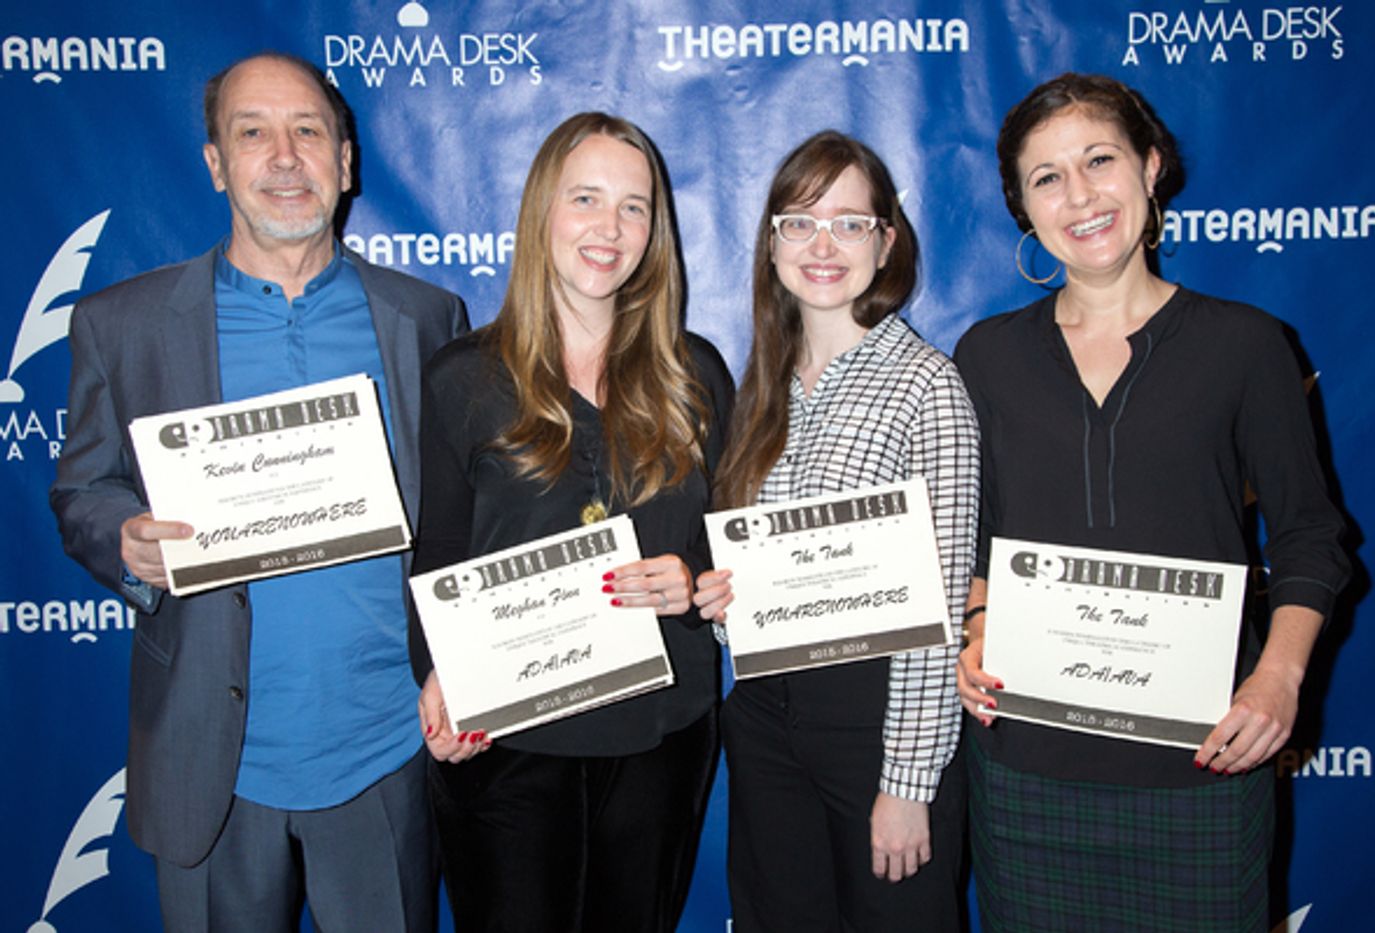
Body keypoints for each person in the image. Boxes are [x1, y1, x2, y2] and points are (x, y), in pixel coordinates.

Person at [49, 53, 467, 932]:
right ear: (214, 163)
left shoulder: (426, 320)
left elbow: (464, 515)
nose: (285, 157)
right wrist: (122, 538)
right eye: (253, 133)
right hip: (212, 760)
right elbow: (83, 487)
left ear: (345, 162)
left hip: (384, 752)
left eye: (307, 131)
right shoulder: (121, 326)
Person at [954, 73, 1351, 931]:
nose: (1080, 195)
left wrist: (1279, 679)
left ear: (1151, 166)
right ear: (1024, 208)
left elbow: (1312, 534)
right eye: (1047, 177)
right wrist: (977, 629)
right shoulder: (987, 356)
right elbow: (978, 539)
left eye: (1100, 159)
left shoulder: (1248, 345)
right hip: (1028, 771)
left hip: (1202, 766)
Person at [410, 112, 733, 933]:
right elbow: (438, 553)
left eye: (634, 206)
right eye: (585, 198)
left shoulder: (695, 375)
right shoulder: (463, 378)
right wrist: (439, 673)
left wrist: (694, 582)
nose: (610, 227)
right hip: (509, 744)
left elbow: (733, 547)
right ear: (540, 213)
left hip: (659, 734)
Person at [693, 131, 980, 932]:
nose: (823, 245)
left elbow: (942, 609)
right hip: (764, 716)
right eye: (799, 222)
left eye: (851, 223)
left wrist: (908, 782)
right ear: (772, 242)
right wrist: (727, 604)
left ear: (887, 242)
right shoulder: (761, 390)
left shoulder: (929, 387)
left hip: (877, 723)